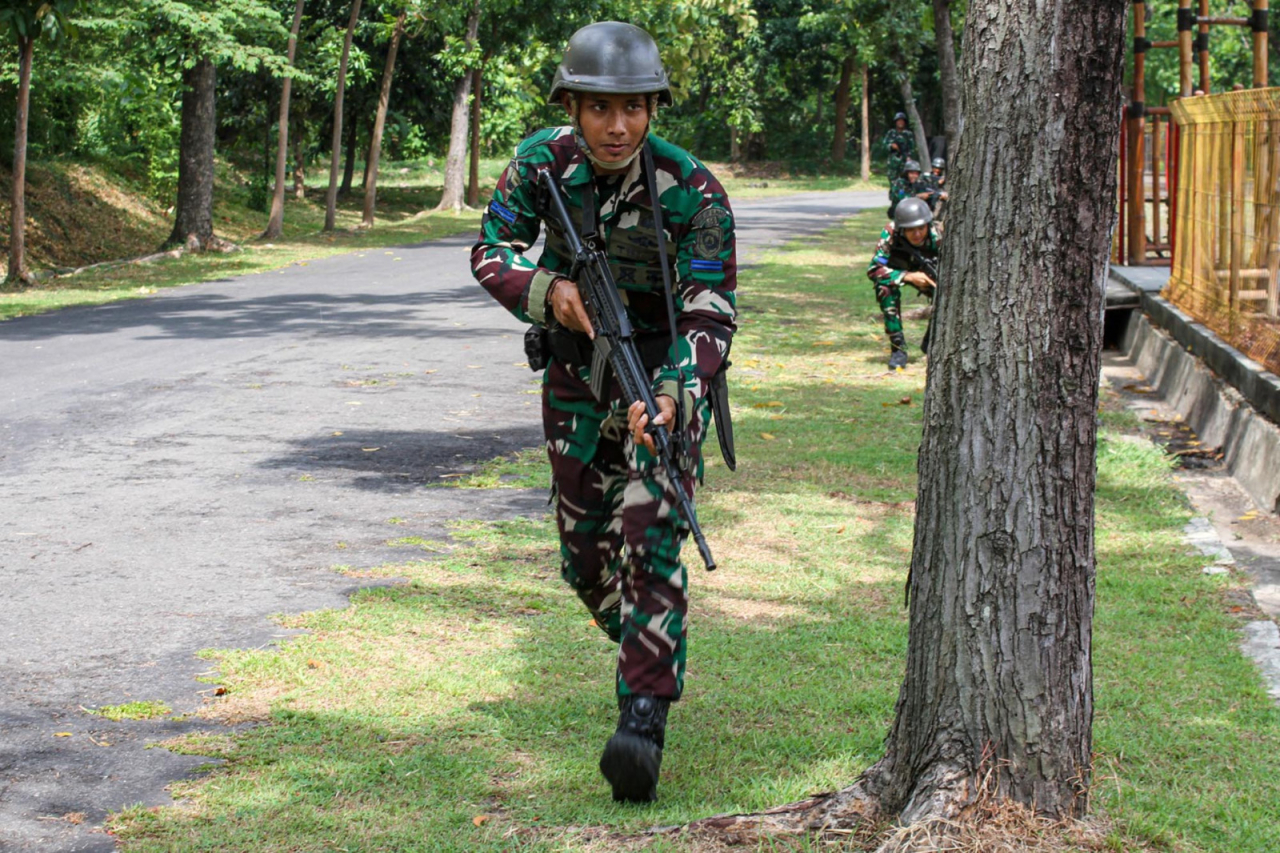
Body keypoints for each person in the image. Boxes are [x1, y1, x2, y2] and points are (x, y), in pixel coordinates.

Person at [470, 21, 736, 804]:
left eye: (634, 109)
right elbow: (492, 248)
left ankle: (641, 723)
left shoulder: (696, 191)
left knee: (650, 535)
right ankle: (650, 648)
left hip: (663, 377)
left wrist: (672, 391)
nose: (618, 127)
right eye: (598, 109)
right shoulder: (538, 164)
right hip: (576, 378)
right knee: (585, 560)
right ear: (573, 106)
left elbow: (712, 310)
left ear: (654, 108)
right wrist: (547, 292)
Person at [867, 197, 940, 370]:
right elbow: (873, 269)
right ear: (901, 229)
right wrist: (907, 276)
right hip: (900, 271)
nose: (917, 234)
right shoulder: (891, 233)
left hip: (931, 276)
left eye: (921, 228)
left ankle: (932, 341)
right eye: (910, 230)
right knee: (884, 288)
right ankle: (898, 348)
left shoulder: (938, 235)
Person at [881, 112, 915, 179]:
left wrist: (909, 156)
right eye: (899, 121)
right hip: (893, 163)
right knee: (893, 182)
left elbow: (912, 147)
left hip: (905, 162)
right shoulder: (891, 133)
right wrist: (891, 146)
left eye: (902, 121)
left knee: (905, 181)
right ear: (896, 122)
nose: (900, 122)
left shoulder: (908, 134)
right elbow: (884, 146)